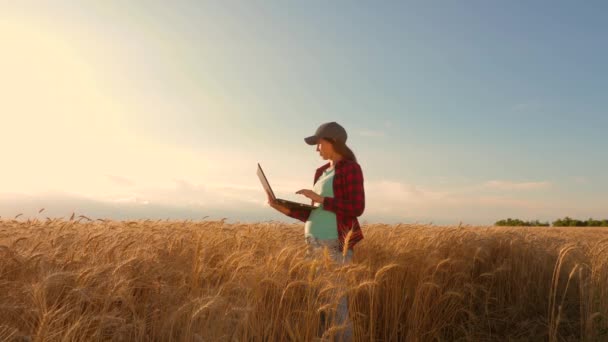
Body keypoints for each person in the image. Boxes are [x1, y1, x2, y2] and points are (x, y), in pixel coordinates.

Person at [265, 121, 365, 341]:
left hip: (335, 243)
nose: (316, 148)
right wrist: (281, 207)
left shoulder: (350, 168)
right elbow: (314, 212)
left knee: (336, 306)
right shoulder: (321, 172)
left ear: (333, 142)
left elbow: (357, 207)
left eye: (319, 143)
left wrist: (321, 199)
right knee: (321, 304)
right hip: (314, 243)